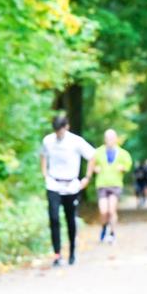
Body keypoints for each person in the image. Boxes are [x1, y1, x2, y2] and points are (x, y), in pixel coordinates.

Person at [40, 114, 95, 266]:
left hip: (71, 185)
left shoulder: (76, 141)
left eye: (61, 131)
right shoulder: (48, 140)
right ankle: (57, 254)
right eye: (56, 131)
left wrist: (87, 178)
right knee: (54, 218)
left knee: (70, 219)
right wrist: (44, 173)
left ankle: (72, 252)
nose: (58, 134)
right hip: (53, 184)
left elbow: (92, 156)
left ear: (67, 127)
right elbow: (43, 155)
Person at [87, 129, 132, 244]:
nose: (109, 140)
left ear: (116, 139)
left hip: (115, 184)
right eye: (107, 138)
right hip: (102, 184)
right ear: (104, 139)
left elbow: (128, 164)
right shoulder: (98, 152)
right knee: (103, 211)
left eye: (111, 138)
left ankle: (112, 233)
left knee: (111, 210)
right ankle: (104, 227)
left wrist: (123, 168)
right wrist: (94, 169)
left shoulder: (122, 153)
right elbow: (91, 163)